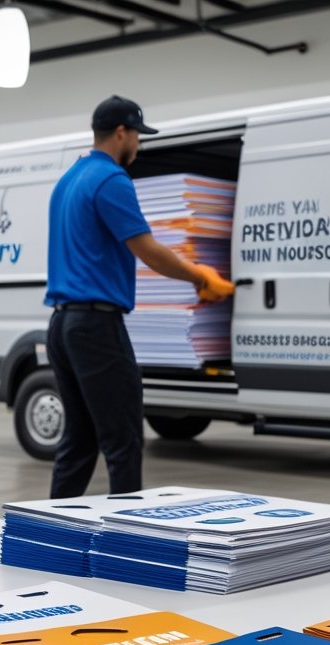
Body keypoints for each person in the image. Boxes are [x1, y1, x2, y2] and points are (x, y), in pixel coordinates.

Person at [45, 94, 234, 499]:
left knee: (78, 442)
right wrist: (199, 277)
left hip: (61, 325)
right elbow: (146, 248)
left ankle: (51, 537)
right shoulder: (111, 180)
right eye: (138, 136)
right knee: (124, 441)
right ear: (120, 133)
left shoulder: (68, 180)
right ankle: (128, 544)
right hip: (96, 325)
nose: (140, 145)